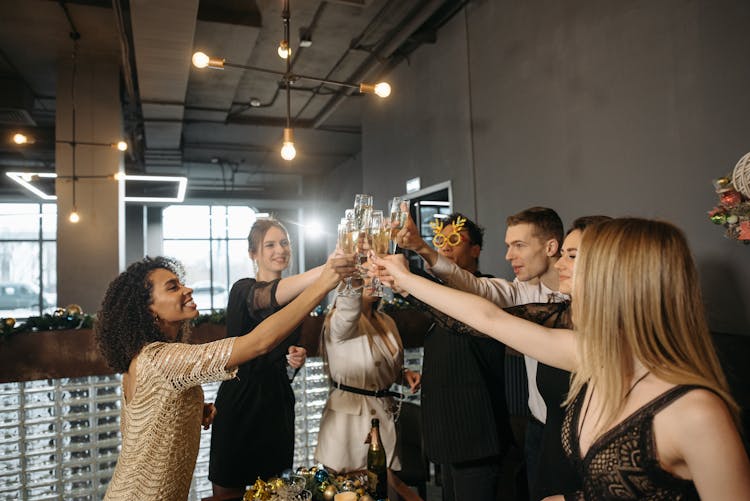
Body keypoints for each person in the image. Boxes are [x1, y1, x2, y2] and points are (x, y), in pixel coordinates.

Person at [375, 218, 750, 499]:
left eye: (577, 259)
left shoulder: (696, 412)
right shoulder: (595, 356)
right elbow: (487, 318)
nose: (562, 268)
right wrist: (404, 280)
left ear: (619, 280)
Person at [95, 255, 353, 501]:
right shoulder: (161, 360)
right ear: (148, 309)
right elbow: (259, 342)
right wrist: (323, 284)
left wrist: (191, 411)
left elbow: (147, 421)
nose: (187, 290)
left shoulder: (143, 358)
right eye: (173, 287)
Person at [396, 206, 566, 494]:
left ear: (550, 247)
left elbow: (478, 312)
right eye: (508, 246)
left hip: (557, 427)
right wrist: (419, 250)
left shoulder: (577, 301)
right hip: (537, 425)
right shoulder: (520, 291)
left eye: (518, 245)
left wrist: (405, 279)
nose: (508, 255)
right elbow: (474, 288)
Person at [209, 218, 335, 498]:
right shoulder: (243, 290)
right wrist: (328, 270)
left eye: (284, 243)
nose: (280, 250)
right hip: (240, 402)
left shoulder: (296, 298)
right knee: (228, 492)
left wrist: (294, 361)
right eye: (270, 245)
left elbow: (283, 362)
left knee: (274, 493)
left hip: (277, 405)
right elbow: (266, 298)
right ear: (253, 253)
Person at [404, 213, 516, 501]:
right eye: (440, 240)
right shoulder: (441, 296)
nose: (446, 247)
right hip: (447, 436)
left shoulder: (489, 292)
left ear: (476, 250)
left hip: (475, 434)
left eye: (455, 240)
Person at [314, 274, 421, 473]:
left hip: (382, 416)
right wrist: (351, 275)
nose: (372, 280)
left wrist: (402, 374)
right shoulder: (339, 320)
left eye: (375, 275)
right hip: (347, 426)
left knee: (384, 488)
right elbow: (348, 309)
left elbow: (380, 364)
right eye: (364, 276)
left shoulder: (386, 320)